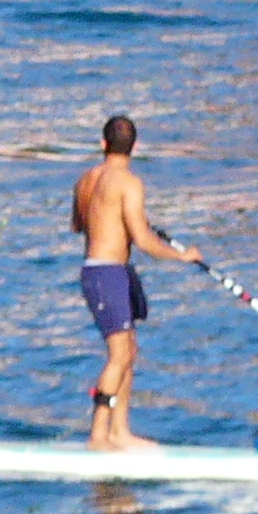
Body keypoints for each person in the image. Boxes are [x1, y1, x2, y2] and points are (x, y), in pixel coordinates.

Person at [72, 113, 204, 453]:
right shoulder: (130, 184)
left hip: (101, 271)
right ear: (135, 147)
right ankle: (98, 435)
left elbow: (79, 224)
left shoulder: (85, 180)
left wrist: (113, 222)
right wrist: (183, 256)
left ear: (103, 144)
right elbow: (143, 241)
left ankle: (120, 432)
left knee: (129, 351)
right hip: (108, 274)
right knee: (119, 355)